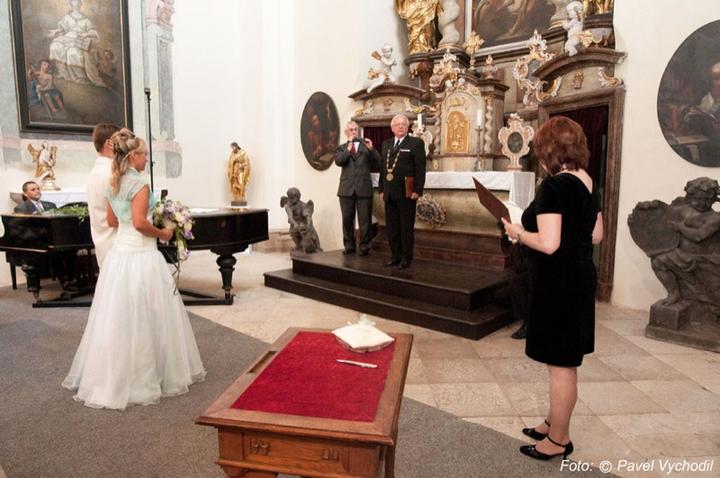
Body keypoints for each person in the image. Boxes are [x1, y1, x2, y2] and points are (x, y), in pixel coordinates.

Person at [62, 128, 206, 410]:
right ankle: (145, 377)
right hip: (141, 254)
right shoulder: (139, 184)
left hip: (120, 255)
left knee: (119, 315)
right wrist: (163, 233)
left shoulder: (113, 182)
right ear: (133, 156)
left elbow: (113, 221)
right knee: (147, 312)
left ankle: (114, 374)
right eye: (144, 154)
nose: (146, 159)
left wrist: (135, 223)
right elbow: (140, 223)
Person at [502, 116, 603, 461]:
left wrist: (518, 233)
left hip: (558, 283)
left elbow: (548, 243)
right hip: (580, 278)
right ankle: (552, 422)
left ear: (548, 150)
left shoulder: (554, 186)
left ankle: (559, 440)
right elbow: (597, 235)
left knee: (560, 366)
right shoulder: (587, 181)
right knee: (564, 362)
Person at [379, 114, 426, 269]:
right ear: (392, 128)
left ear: (408, 127)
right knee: (392, 227)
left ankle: (406, 257)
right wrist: (381, 189)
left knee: (406, 227)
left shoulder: (415, 143)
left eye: (403, 124)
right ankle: (395, 255)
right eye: (397, 124)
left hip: (407, 192)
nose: (400, 126)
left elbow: (420, 168)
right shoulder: (386, 144)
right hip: (389, 192)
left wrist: (418, 190)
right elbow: (383, 169)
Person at [334, 121, 381, 256]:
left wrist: (372, 149)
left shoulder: (366, 147)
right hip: (346, 189)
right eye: (351, 130)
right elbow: (339, 161)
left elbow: (378, 162)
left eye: (355, 129)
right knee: (347, 220)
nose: (353, 132)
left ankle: (365, 246)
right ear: (346, 132)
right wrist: (348, 149)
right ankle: (349, 245)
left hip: (363, 188)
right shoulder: (341, 148)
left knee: (365, 220)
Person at [48, 0, 105, 87]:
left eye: (78, 1)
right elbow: (63, 29)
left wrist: (86, 34)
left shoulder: (86, 20)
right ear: (71, 3)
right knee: (54, 47)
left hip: (79, 40)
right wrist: (55, 31)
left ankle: (79, 77)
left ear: (80, 4)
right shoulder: (67, 17)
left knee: (72, 53)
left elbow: (92, 32)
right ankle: (63, 73)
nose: (77, 3)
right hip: (67, 38)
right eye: (75, 1)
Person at [87, 123, 120, 267]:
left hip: (102, 239)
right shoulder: (111, 173)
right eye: (120, 141)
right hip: (115, 240)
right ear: (109, 143)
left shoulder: (94, 171)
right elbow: (116, 215)